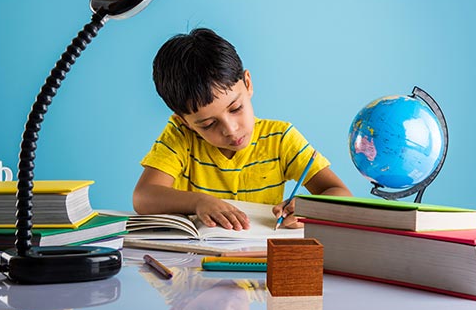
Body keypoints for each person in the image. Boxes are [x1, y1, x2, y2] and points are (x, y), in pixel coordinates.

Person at [133, 27, 352, 230]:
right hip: (196, 261)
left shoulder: (281, 139)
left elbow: (342, 194)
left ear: (247, 83)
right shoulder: (181, 137)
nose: (230, 129)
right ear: (185, 122)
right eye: (209, 124)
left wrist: (309, 207)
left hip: (260, 258)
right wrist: (199, 202)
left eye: (236, 108)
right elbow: (143, 197)